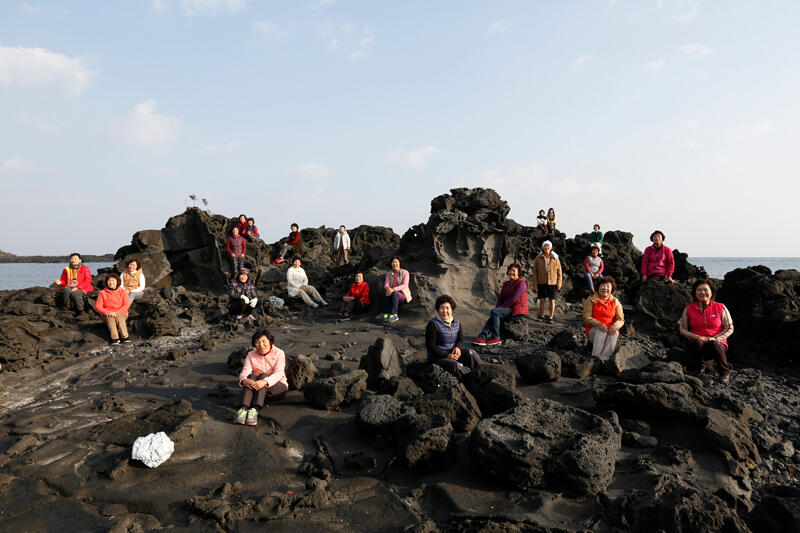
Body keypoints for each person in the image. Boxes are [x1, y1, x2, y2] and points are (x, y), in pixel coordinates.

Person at [679, 279, 733, 383]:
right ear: (695, 292)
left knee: (714, 344)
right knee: (697, 342)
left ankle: (725, 373)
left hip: (717, 345)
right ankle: (700, 367)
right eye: (699, 290)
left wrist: (716, 338)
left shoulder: (720, 307)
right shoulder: (688, 309)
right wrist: (696, 337)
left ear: (711, 292)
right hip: (697, 344)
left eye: (705, 289)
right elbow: (682, 329)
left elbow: (729, 327)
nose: (702, 292)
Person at [235, 329, 288, 426]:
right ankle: (243, 409)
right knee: (250, 376)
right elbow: (245, 371)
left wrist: (264, 381)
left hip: (277, 387)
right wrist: (244, 380)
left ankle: (254, 410)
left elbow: (279, 373)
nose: (261, 345)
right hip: (258, 387)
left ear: (270, 341)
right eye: (258, 342)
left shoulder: (279, 353)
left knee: (263, 376)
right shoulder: (251, 354)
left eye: (264, 341)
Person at [426, 295, 483, 378]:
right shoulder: (433, 324)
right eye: (442, 308)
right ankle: (469, 381)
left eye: (447, 308)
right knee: (455, 365)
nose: (444, 311)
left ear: (452, 309)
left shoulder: (457, 322)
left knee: (471, 353)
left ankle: (481, 374)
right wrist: (446, 355)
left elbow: (460, 340)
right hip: (438, 357)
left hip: (452, 354)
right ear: (438, 310)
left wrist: (458, 348)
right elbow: (430, 346)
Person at [472, 263, 528, 346]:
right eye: (510, 270)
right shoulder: (506, 284)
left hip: (516, 310)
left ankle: (496, 337)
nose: (511, 272)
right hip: (507, 308)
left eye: (514, 271)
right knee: (494, 313)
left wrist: (500, 307)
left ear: (518, 273)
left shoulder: (521, 283)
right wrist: (498, 307)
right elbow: (500, 298)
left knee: (495, 312)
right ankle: (482, 337)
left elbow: (514, 299)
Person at [583, 277, 624, 361]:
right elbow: (586, 317)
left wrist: (615, 326)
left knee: (614, 333)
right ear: (598, 287)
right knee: (601, 330)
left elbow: (621, 319)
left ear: (612, 289)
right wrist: (598, 324)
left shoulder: (615, 301)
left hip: (610, 329)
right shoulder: (591, 299)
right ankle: (595, 358)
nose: (605, 288)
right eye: (602, 285)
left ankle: (604, 359)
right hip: (594, 330)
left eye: (608, 286)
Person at [531, 240, 562, 323]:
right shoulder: (538, 258)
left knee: (552, 300)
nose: (546, 247)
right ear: (542, 247)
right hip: (541, 282)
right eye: (545, 246)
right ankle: (541, 315)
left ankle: (551, 317)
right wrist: (535, 284)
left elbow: (559, 272)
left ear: (551, 248)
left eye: (548, 246)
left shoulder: (555, 258)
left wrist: (559, 283)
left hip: (552, 282)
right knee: (542, 300)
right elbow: (535, 272)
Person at [95, 273, 131, 345]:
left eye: (113, 281)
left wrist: (117, 312)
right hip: (107, 313)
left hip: (121, 312)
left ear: (117, 282)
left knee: (119, 319)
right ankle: (115, 338)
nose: (111, 283)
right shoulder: (102, 293)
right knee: (110, 319)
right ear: (106, 282)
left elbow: (126, 305)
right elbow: (98, 306)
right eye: (109, 281)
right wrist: (106, 312)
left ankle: (125, 337)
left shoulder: (123, 291)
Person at [382, 257, 412, 323]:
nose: (394, 264)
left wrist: (393, 289)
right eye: (393, 262)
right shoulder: (389, 273)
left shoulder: (405, 272)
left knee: (395, 293)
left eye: (396, 262)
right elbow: (386, 284)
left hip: (402, 295)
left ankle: (394, 314)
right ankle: (385, 314)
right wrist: (388, 289)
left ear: (400, 263)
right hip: (391, 293)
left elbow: (405, 285)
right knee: (386, 293)